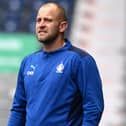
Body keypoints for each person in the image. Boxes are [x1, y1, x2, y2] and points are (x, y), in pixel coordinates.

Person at [8, 2, 104, 126]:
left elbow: (93, 107)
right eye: (38, 20)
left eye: (47, 20)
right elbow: (19, 108)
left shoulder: (80, 60)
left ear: (62, 26)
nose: (41, 25)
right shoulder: (28, 62)